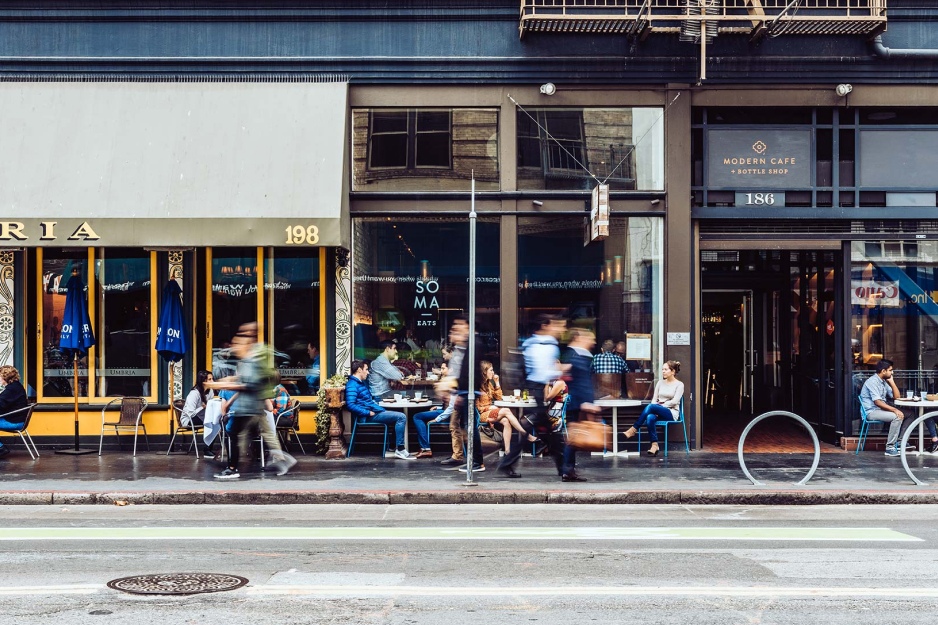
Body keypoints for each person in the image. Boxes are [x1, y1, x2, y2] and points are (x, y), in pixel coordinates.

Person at [207, 323, 296, 479]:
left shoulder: (253, 357)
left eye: (242, 335)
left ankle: (232, 467)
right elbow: (245, 379)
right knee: (242, 434)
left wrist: (223, 384)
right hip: (251, 406)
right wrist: (229, 380)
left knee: (233, 432)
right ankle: (239, 463)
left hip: (248, 406)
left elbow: (249, 384)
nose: (237, 344)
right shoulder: (253, 356)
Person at [498, 314, 565, 478]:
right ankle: (564, 467)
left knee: (546, 431)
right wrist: (562, 371)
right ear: (544, 326)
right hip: (538, 390)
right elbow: (543, 372)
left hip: (536, 389)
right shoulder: (544, 345)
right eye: (553, 325)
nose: (557, 328)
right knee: (548, 431)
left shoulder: (532, 344)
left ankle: (563, 467)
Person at [437, 317, 485, 472]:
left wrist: (459, 392)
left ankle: (478, 461)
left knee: (469, 427)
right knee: (463, 426)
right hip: (462, 391)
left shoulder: (474, 344)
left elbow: (468, 372)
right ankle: (474, 459)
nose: (456, 328)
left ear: (468, 326)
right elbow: (457, 370)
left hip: (467, 392)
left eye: (459, 324)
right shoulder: (462, 345)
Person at [347, 358, 415, 460]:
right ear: (359, 370)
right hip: (367, 416)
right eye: (366, 369)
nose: (368, 372)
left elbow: (364, 401)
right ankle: (400, 450)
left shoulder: (359, 383)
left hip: (373, 412)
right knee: (401, 417)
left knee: (398, 415)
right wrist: (367, 412)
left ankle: (392, 446)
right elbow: (350, 405)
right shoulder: (352, 385)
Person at [561, 328, 600, 482]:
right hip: (578, 403)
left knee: (574, 437)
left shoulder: (579, 355)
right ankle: (567, 470)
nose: (593, 342)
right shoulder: (575, 355)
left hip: (578, 402)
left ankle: (568, 470)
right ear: (579, 338)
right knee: (573, 437)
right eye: (591, 338)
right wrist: (587, 403)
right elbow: (580, 383)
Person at [624, 360, 685, 456]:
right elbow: (654, 400)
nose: (663, 371)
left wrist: (658, 407)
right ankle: (654, 444)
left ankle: (634, 429)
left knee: (652, 407)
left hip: (671, 412)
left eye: (666, 369)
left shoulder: (679, 385)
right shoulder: (660, 383)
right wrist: (656, 408)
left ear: (673, 371)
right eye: (662, 369)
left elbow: (675, 401)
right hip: (658, 410)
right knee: (649, 417)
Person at [478, 360, 538, 455]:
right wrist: (488, 408)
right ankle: (526, 435)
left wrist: (497, 383)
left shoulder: (489, 384)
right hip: (482, 414)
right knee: (506, 410)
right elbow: (476, 407)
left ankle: (507, 451)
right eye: (491, 370)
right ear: (484, 371)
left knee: (506, 421)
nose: (493, 373)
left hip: (491, 411)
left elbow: (499, 397)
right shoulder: (477, 385)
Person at [860, 358, 910, 457]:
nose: (892, 372)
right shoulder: (872, 382)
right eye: (890, 370)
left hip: (881, 410)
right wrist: (895, 410)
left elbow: (896, 397)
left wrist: (892, 382)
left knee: (911, 414)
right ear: (883, 371)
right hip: (872, 412)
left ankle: (899, 442)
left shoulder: (883, 381)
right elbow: (877, 402)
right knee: (897, 416)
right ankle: (890, 448)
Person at [411, 363, 456, 458]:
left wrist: (437, 419)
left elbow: (452, 408)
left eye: (443, 368)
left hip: (448, 415)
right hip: (445, 412)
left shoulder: (451, 383)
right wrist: (439, 408)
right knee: (418, 416)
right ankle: (424, 448)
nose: (441, 370)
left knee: (417, 417)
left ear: (450, 369)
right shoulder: (449, 381)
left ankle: (425, 448)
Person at [180, 369, 216, 457]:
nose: (213, 381)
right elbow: (190, 413)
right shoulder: (194, 393)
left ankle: (208, 448)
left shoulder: (210, 391)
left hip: (202, 417)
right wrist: (202, 407)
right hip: (188, 419)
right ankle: (207, 449)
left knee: (216, 421)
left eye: (212, 379)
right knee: (212, 422)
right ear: (203, 381)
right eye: (210, 379)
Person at [0, 366, 29, 459]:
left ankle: (1, 448)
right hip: (16, 419)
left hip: (15, 422)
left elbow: (1, 404)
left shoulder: (11, 389)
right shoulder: (16, 386)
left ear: (5, 377)